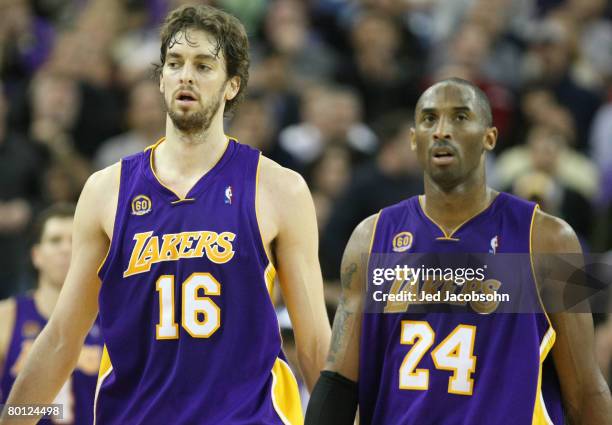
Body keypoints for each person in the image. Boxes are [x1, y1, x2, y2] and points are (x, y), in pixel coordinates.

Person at [1, 5, 330, 425]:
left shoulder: (280, 189)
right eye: (174, 64)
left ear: (232, 85)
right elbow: (63, 337)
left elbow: (315, 345)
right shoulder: (107, 190)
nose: (185, 75)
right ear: (160, 79)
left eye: (203, 65)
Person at [305, 78, 612, 424]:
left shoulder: (553, 239)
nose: (441, 131)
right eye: (429, 119)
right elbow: (338, 382)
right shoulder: (371, 237)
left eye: (461, 117)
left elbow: (586, 389)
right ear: (412, 139)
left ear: (489, 137)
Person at [0, 203, 103, 424]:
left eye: (74, 241)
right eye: (55, 240)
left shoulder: (114, 317)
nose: (66, 249)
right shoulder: (7, 317)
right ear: (37, 255)